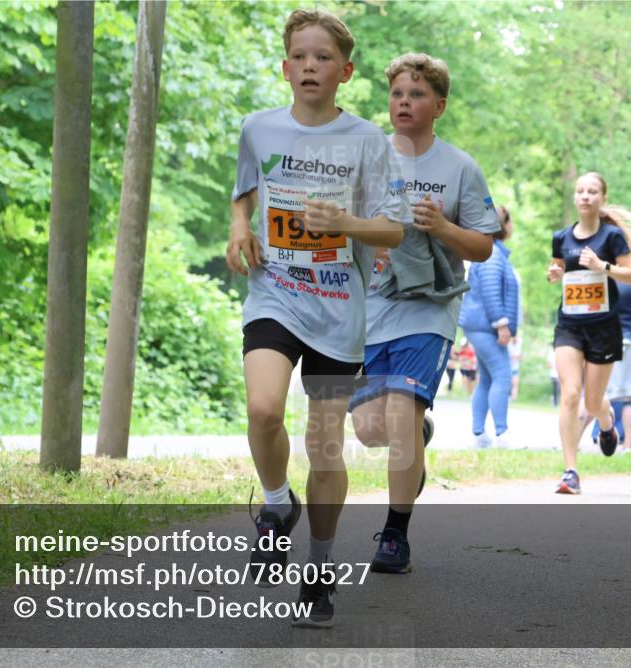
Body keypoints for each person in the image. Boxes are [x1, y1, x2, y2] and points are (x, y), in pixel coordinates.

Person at [226, 8, 408, 628]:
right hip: (274, 294)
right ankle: (277, 505)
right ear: (285, 68)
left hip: (338, 311)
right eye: (300, 56)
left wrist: (347, 225)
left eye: (322, 57)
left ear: (345, 71)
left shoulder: (367, 141)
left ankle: (321, 572)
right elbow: (246, 188)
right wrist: (239, 229)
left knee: (325, 447)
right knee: (262, 411)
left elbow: (394, 226)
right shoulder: (258, 128)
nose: (310, 65)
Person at [350, 52, 498, 575]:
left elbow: (482, 247)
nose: (404, 103)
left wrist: (442, 227)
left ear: (438, 104)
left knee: (400, 414)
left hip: (430, 309)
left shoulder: (459, 167)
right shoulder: (366, 156)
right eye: (396, 94)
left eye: (415, 95)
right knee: (371, 429)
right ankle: (417, 434)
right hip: (370, 307)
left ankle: (394, 535)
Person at [548, 172, 631, 494]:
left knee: (593, 400)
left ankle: (606, 422)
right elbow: (557, 268)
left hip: (603, 328)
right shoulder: (561, 237)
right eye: (580, 191)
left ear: (601, 198)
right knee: (570, 394)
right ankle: (570, 470)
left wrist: (603, 266)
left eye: (592, 191)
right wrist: (555, 272)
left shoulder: (612, 237)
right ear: (575, 198)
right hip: (570, 325)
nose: (585, 196)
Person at [587, 234, 631, 452]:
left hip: (613, 337)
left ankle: (586, 437)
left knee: (599, 392)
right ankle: (627, 446)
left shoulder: (611, 277)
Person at [459, 205, 519, 449]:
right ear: (504, 226)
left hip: (478, 324)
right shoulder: (493, 254)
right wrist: (502, 325)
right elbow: (492, 291)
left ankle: (479, 434)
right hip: (486, 325)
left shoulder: (490, 252)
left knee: (486, 379)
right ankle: (502, 434)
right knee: (503, 375)